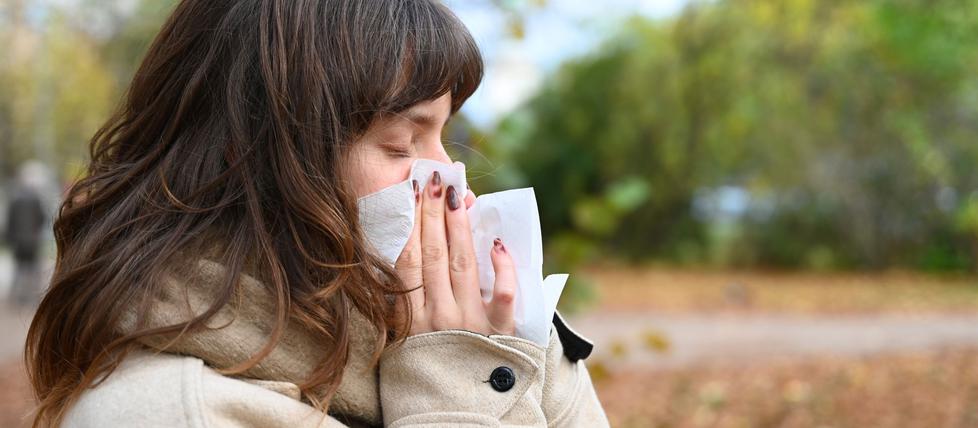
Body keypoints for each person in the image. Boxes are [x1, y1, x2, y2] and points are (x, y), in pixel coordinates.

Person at [24, 1, 609, 427]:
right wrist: (455, 389)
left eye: (443, 139)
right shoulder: (161, 413)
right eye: (402, 143)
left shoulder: (493, 330)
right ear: (254, 155)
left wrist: (513, 353)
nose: (451, 183)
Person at [4, 161, 49, 307]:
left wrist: (10, 238)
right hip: (33, 241)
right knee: (33, 270)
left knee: (18, 269)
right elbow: (43, 218)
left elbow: (10, 221)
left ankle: (16, 298)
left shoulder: (14, 198)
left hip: (18, 241)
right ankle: (32, 298)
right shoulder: (36, 199)